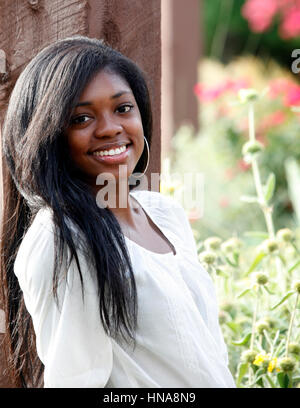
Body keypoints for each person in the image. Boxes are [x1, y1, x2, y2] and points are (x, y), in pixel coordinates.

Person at [0, 36, 236, 388]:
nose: (110, 128)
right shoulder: (62, 238)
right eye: (81, 118)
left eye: (123, 108)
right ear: (49, 136)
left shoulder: (165, 214)